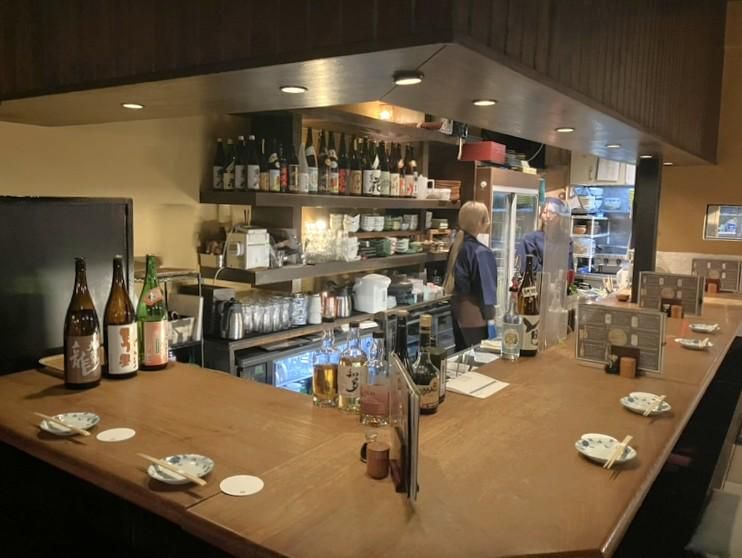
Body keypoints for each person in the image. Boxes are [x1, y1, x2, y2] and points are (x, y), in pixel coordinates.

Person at [443, 201, 498, 351]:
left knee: (461, 356)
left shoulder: (457, 246)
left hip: (458, 313)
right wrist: (491, 316)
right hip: (475, 316)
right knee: (479, 358)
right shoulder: (480, 252)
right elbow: (485, 290)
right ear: (481, 222)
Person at [517, 197, 574, 274]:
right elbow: (526, 268)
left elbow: (568, 269)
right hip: (535, 281)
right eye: (544, 212)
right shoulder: (530, 240)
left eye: (552, 212)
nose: (547, 216)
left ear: (560, 216)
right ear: (540, 215)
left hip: (559, 280)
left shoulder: (566, 241)